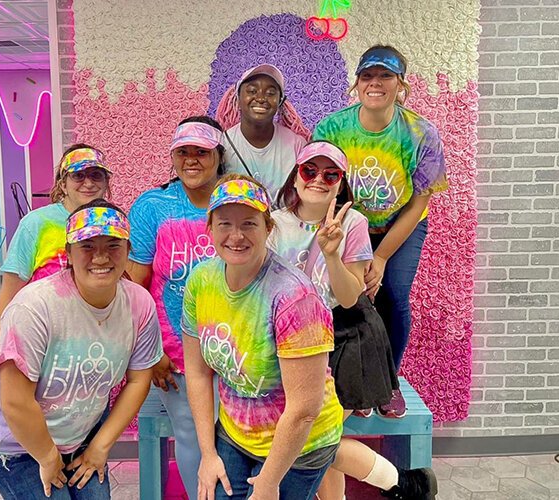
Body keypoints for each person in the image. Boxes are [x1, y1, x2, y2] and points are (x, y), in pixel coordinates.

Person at [269, 141, 437, 499]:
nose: (318, 179)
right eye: (309, 170)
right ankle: (403, 483)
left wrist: (332, 253)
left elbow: (348, 296)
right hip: (293, 343)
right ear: (295, 177)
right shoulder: (274, 223)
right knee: (321, 441)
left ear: (340, 182)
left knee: (317, 440)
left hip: (345, 336)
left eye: (330, 174)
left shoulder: (354, 222)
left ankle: (404, 483)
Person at [0, 199, 162, 499]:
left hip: (80, 434)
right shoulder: (35, 309)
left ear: (129, 252)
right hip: (18, 444)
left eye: (113, 245)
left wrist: (100, 446)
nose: (101, 257)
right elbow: (15, 402)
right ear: (68, 254)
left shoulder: (139, 305)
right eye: (87, 245)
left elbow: (140, 379)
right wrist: (49, 458)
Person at [182, 174, 343, 500]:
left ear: (268, 228)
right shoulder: (201, 281)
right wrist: (207, 454)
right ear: (209, 228)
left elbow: (303, 410)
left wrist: (269, 483)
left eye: (249, 224)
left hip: (299, 445)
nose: (236, 235)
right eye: (225, 223)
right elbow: (198, 373)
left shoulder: (294, 298)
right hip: (235, 433)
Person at [313, 45, 448, 417]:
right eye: (367, 76)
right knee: (344, 296)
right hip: (346, 224)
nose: (375, 84)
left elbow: (420, 203)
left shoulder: (421, 133)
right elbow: (319, 184)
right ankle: (348, 381)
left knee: (392, 293)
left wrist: (383, 255)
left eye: (385, 76)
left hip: (400, 225)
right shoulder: (332, 128)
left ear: (400, 84)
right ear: (356, 84)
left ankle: (388, 383)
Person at [127, 116, 224, 499]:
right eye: (183, 152)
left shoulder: (235, 198)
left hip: (235, 342)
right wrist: (149, 353)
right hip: (174, 350)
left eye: (201, 151)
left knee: (241, 432)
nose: (192, 159)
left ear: (219, 154)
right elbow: (135, 285)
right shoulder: (154, 206)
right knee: (190, 431)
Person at [0, 145, 112, 347]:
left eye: (96, 175)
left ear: (106, 183)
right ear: (63, 184)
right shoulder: (37, 224)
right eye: (78, 176)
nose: (88, 183)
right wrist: (1, 357)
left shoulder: (112, 222)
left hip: (100, 344)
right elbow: (8, 298)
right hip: (43, 341)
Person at [215, 64, 309, 200]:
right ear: (238, 99)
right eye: (252, 91)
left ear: (280, 102)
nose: (261, 98)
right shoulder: (222, 144)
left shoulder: (297, 145)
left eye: (271, 93)